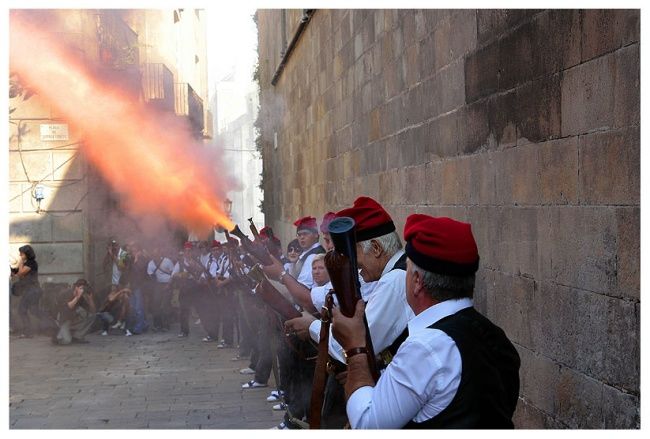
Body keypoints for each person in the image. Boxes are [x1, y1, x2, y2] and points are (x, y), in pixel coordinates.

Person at [331, 214, 521, 429]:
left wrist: (355, 349)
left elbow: (366, 425)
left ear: (417, 281)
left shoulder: (424, 348)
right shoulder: (497, 337)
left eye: (408, 269)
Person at [11, 245, 56, 338]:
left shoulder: (31, 263)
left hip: (33, 290)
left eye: (22, 254)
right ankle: (51, 324)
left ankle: (28, 332)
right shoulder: (28, 263)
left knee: (22, 310)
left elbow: (21, 273)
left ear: (27, 254)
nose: (20, 255)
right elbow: (20, 275)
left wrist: (20, 262)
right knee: (34, 311)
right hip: (31, 290)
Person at [54, 279, 97, 345]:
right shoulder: (66, 293)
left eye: (83, 288)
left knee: (92, 315)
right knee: (66, 341)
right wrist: (77, 296)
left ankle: (77, 336)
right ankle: (57, 335)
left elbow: (93, 311)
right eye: (81, 288)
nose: (82, 290)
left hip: (72, 319)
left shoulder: (81, 297)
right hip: (63, 319)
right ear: (76, 287)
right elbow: (69, 307)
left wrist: (90, 299)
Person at [147, 247, 175, 331]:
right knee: (156, 305)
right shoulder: (151, 263)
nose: (155, 256)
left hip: (168, 284)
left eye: (156, 254)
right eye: (154, 254)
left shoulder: (167, 261)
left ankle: (166, 325)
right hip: (158, 285)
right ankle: (157, 325)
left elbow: (173, 274)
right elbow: (150, 275)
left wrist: (169, 285)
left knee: (166, 305)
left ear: (160, 254)